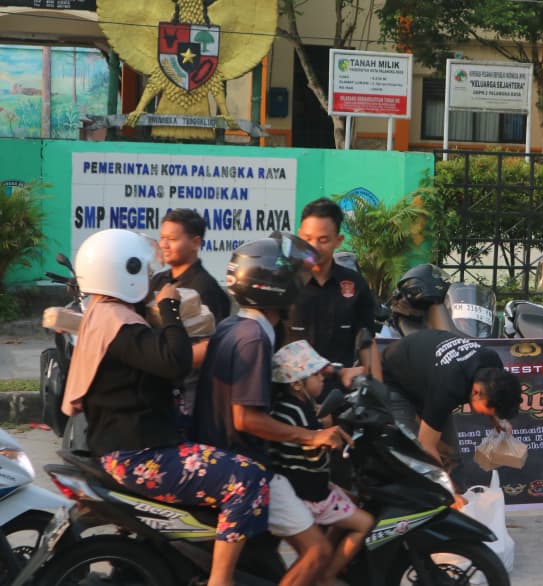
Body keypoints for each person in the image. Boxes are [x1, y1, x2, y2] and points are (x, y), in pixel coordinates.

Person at [62, 229, 269, 586]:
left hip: (127, 445)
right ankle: (221, 580)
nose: (151, 278)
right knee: (248, 478)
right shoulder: (120, 325)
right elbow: (175, 361)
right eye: (143, 270)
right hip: (140, 454)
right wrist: (169, 309)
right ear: (123, 272)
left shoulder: (105, 314)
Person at [193, 233, 352, 586]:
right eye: (297, 277)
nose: (303, 283)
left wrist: (333, 372)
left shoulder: (236, 326)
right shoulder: (254, 339)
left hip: (219, 452)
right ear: (277, 286)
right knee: (318, 552)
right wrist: (311, 436)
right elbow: (246, 419)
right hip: (246, 462)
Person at [269, 340, 375, 586]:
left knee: (354, 501)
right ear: (297, 384)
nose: (322, 379)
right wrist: (328, 439)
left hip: (313, 487)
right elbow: (311, 454)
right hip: (309, 493)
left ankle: (327, 569)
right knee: (365, 523)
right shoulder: (293, 412)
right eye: (315, 375)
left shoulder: (298, 405)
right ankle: (327, 576)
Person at [381, 329, 522, 475]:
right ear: (476, 392)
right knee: (415, 460)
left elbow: (494, 394)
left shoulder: (492, 362)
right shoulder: (448, 387)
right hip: (395, 380)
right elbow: (427, 445)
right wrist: (446, 487)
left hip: (425, 374)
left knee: (451, 457)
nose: (484, 414)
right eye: (487, 411)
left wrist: (497, 419)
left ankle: (456, 486)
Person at [150, 208, 232, 432]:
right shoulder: (158, 280)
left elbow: (211, 346)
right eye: (162, 238)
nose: (164, 245)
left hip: (189, 391)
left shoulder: (205, 289)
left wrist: (170, 359)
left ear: (196, 242)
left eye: (172, 239)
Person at [287, 197, 382, 383]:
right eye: (307, 239)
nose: (314, 247)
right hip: (293, 392)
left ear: (338, 240)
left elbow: (367, 343)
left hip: (340, 392)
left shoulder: (355, 284)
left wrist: (378, 391)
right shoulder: (285, 283)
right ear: (299, 236)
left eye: (323, 240)